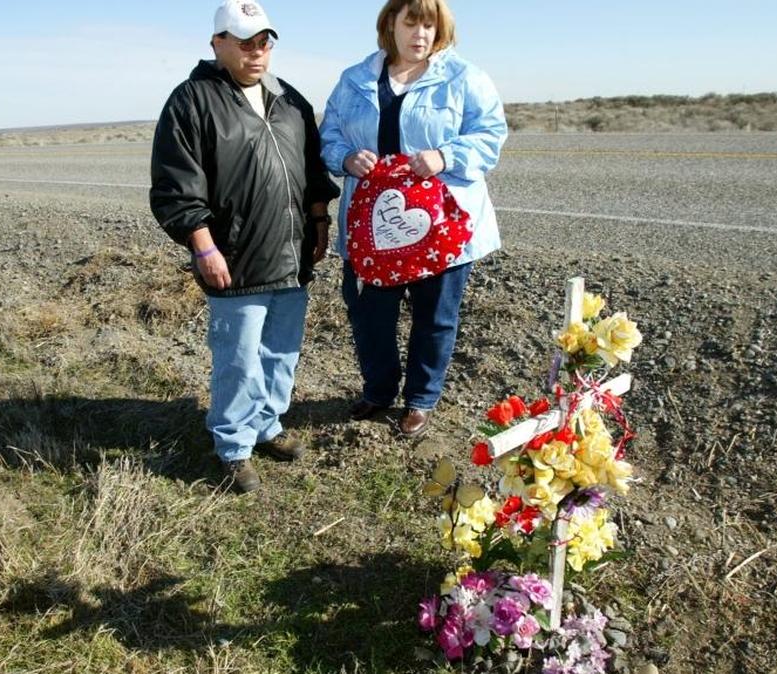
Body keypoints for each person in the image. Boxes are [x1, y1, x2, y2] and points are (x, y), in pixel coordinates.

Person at [150, 1, 339, 493]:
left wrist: (319, 218)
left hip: (291, 253)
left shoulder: (289, 99)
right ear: (218, 44)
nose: (257, 52)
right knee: (238, 358)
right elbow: (176, 186)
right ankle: (233, 446)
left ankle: (267, 425)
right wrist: (203, 247)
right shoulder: (191, 101)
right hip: (235, 257)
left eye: (264, 42)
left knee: (280, 353)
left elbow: (312, 169)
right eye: (244, 41)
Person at [319, 0, 508, 437]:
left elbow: (491, 135)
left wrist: (445, 156)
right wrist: (346, 158)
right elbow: (328, 136)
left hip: (443, 226)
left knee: (435, 316)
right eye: (411, 23)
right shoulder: (355, 80)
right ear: (390, 24)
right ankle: (379, 390)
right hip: (373, 227)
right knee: (369, 313)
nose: (420, 34)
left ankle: (421, 400)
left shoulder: (465, 78)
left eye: (430, 24)